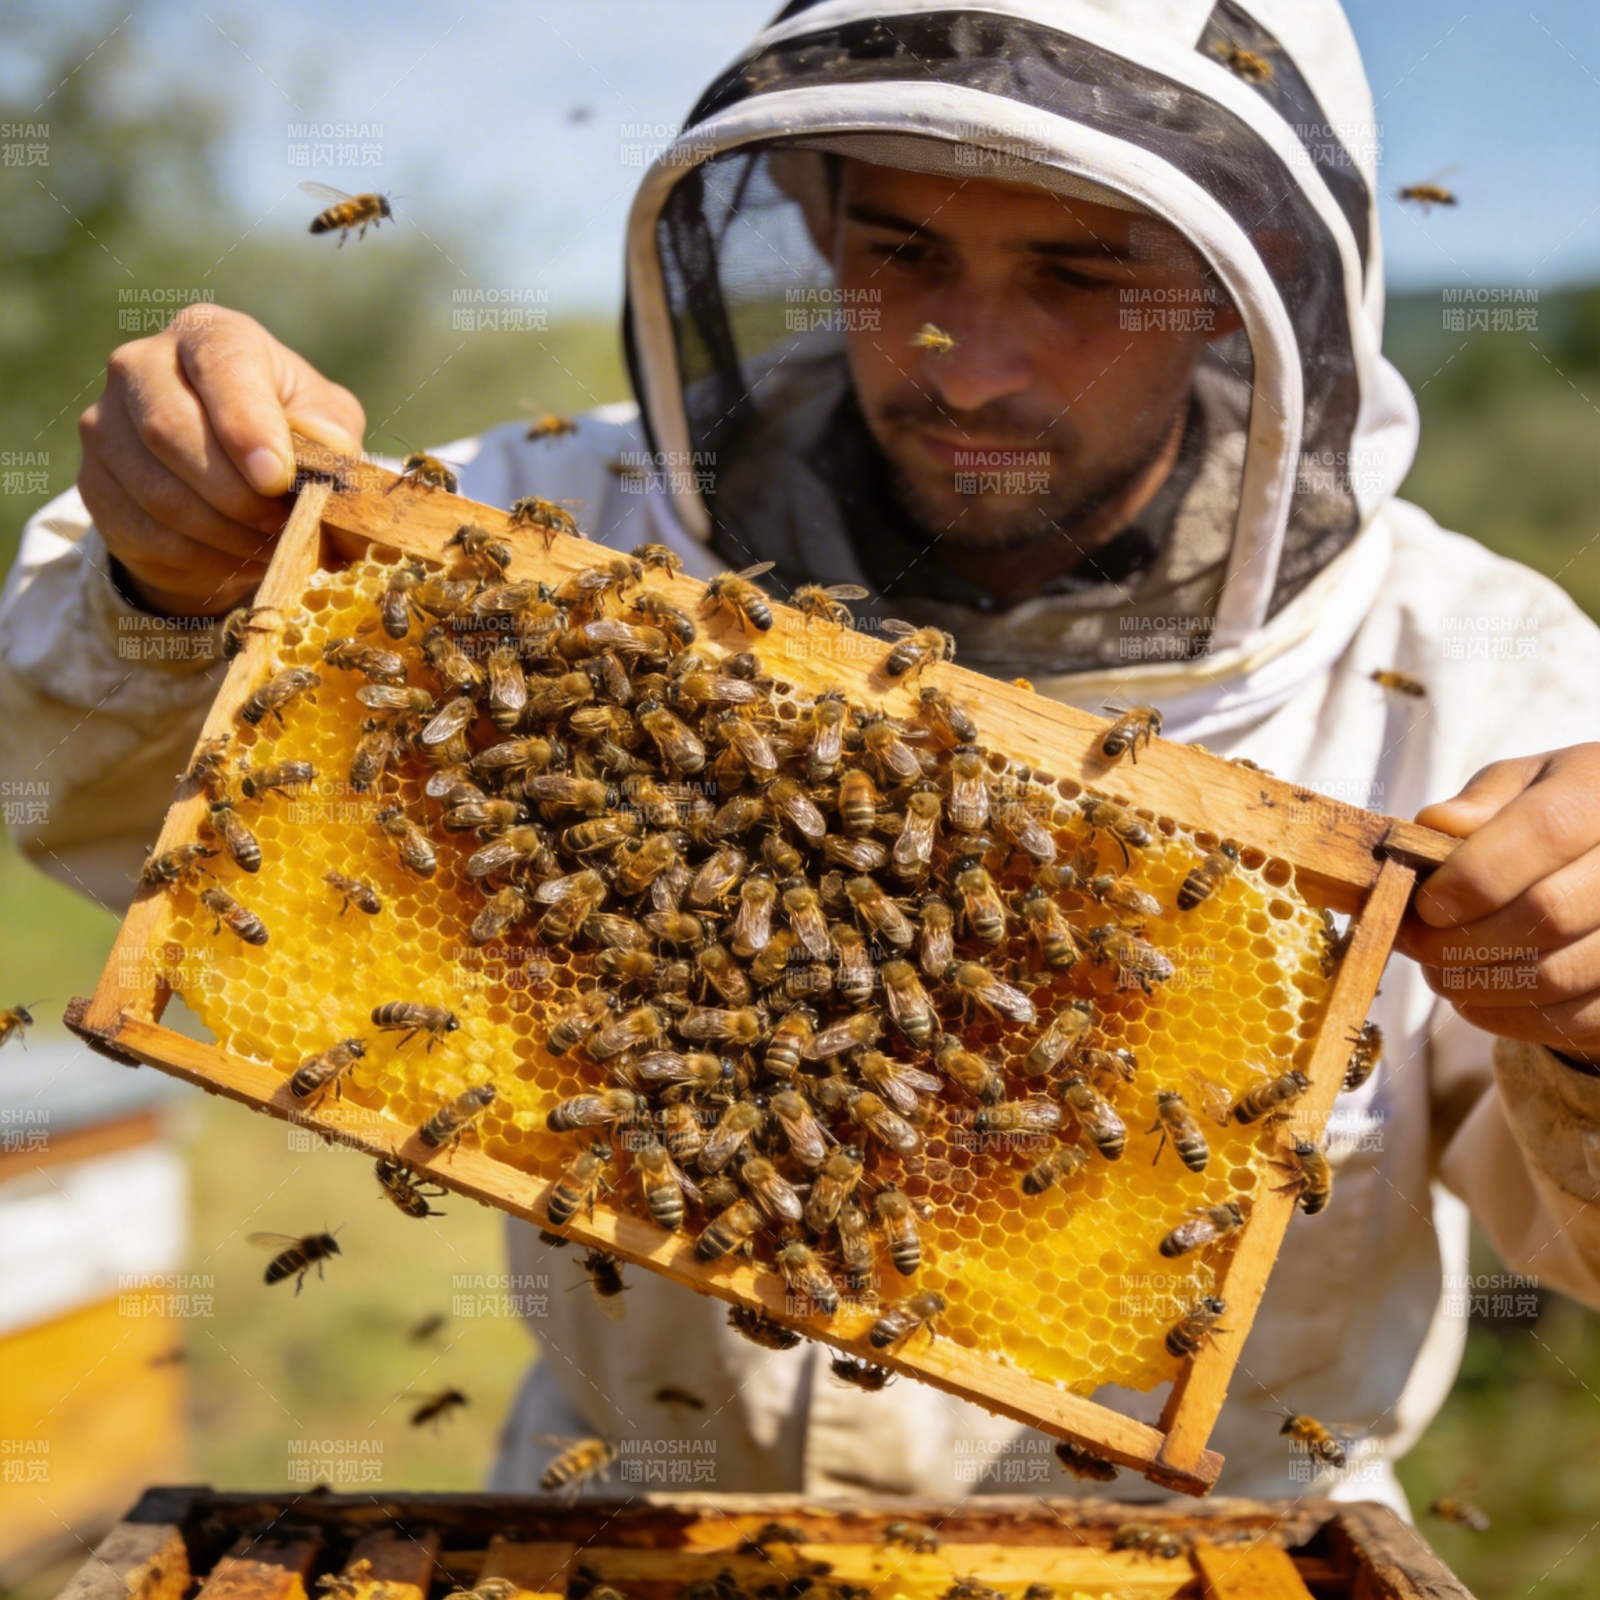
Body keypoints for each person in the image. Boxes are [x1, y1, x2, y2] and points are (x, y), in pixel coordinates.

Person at [3, 0, 1598, 1509]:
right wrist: (167, 568)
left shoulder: (1479, 675)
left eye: (1083, 275)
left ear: (1247, 288)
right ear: (818, 221)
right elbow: (97, 788)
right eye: (902, 248)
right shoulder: (542, 534)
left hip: (1194, 1560)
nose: (970, 361)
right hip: (628, 1521)